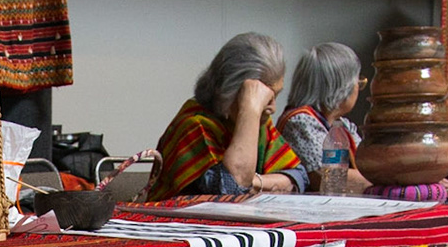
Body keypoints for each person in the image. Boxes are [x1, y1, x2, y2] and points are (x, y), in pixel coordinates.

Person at [145, 33, 306, 201]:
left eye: (275, 96)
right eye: (264, 99)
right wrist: (249, 111)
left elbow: (299, 176)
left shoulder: (260, 124)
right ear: (230, 91)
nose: (272, 108)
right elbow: (232, 189)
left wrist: (255, 182)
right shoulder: (194, 125)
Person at [278, 43, 370, 191]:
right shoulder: (300, 122)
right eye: (358, 81)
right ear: (343, 87)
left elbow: (369, 165)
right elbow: (327, 178)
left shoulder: (341, 125)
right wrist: (381, 183)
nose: (358, 88)